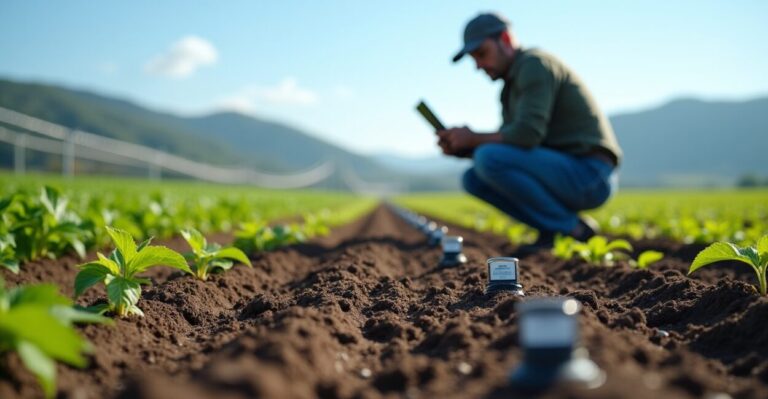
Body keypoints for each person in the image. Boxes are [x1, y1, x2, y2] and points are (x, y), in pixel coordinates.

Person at [438, 12, 622, 256]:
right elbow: (513, 148)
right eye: (474, 58)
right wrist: (463, 149)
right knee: (473, 178)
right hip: (563, 172)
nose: (478, 65)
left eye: (481, 54)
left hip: (589, 175)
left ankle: (572, 229)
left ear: (504, 38)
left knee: (488, 157)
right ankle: (551, 229)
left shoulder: (534, 64)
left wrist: (472, 138)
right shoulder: (509, 88)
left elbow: (526, 135)